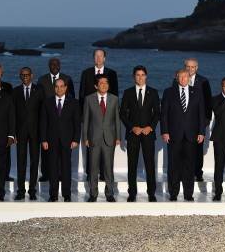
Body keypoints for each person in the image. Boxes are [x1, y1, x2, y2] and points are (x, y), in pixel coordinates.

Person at [161, 69, 206, 201]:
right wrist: (164, 131)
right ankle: (173, 193)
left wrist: (201, 132)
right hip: (174, 135)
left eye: (185, 77)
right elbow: (164, 114)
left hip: (192, 135)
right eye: (180, 77)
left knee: (189, 166)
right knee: (173, 165)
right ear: (176, 78)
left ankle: (188, 194)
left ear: (189, 78)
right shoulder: (168, 92)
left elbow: (201, 114)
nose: (183, 79)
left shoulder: (197, 92)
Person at [120, 66, 160, 202]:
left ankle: (151, 193)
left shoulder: (153, 92)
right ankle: (132, 192)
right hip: (133, 134)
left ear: (146, 76)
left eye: (143, 75)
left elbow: (157, 113)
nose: (140, 77)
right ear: (133, 77)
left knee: (150, 165)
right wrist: (132, 127)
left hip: (148, 134)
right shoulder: (128, 92)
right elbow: (122, 114)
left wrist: (151, 127)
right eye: (138, 75)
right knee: (132, 164)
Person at [79, 49, 118, 182]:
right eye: (96, 56)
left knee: (106, 150)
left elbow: (115, 96)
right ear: (93, 58)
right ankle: (91, 174)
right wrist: (82, 117)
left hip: (107, 116)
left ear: (105, 58)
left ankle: (104, 174)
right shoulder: (86, 73)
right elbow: (82, 95)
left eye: (101, 56)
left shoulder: (112, 74)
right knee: (92, 148)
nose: (98, 58)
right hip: (91, 116)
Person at [40, 79, 80, 202]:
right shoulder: (47, 102)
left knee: (66, 168)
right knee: (53, 168)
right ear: (54, 88)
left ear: (66, 87)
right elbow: (43, 122)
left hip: (67, 140)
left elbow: (77, 123)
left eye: (62, 86)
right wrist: (44, 140)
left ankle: (66, 194)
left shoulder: (73, 102)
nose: (59, 89)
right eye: (57, 86)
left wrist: (75, 139)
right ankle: (53, 195)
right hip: (51, 141)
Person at [83, 74, 121, 202]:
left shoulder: (114, 99)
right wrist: (85, 137)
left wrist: (118, 137)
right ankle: (93, 194)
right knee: (93, 168)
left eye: (106, 82)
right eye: (101, 83)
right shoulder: (89, 99)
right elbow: (86, 120)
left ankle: (109, 193)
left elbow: (117, 119)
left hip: (109, 138)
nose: (104, 85)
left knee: (108, 168)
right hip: (94, 138)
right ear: (96, 86)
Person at [172, 58, 212, 182]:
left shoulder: (204, 81)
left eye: (192, 67)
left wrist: (205, 122)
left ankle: (198, 173)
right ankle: (182, 173)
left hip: (198, 123)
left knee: (198, 150)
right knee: (182, 150)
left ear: (197, 68)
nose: (190, 69)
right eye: (188, 67)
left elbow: (208, 103)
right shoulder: (176, 80)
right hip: (181, 124)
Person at [37, 57, 74, 183]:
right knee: (46, 151)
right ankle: (45, 173)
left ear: (60, 65)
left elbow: (71, 98)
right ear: (48, 66)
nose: (54, 66)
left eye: (57, 64)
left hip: (63, 118)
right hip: (47, 117)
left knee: (62, 154)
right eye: (52, 64)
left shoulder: (67, 78)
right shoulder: (42, 80)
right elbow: (39, 99)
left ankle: (60, 174)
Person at [12, 67, 43, 201]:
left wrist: (43, 133)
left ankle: (32, 190)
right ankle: (20, 191)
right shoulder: (15, 91)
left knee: (34, 162)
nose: (25, 77)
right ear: (20, 76)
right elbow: (12, 114)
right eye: (23, 75)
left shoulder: (39, 91)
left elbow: (43, 113)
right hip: (20, 132)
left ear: (32, 75)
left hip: (35, 132)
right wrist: (13, 134)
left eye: (27, 75)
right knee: (21, 162)